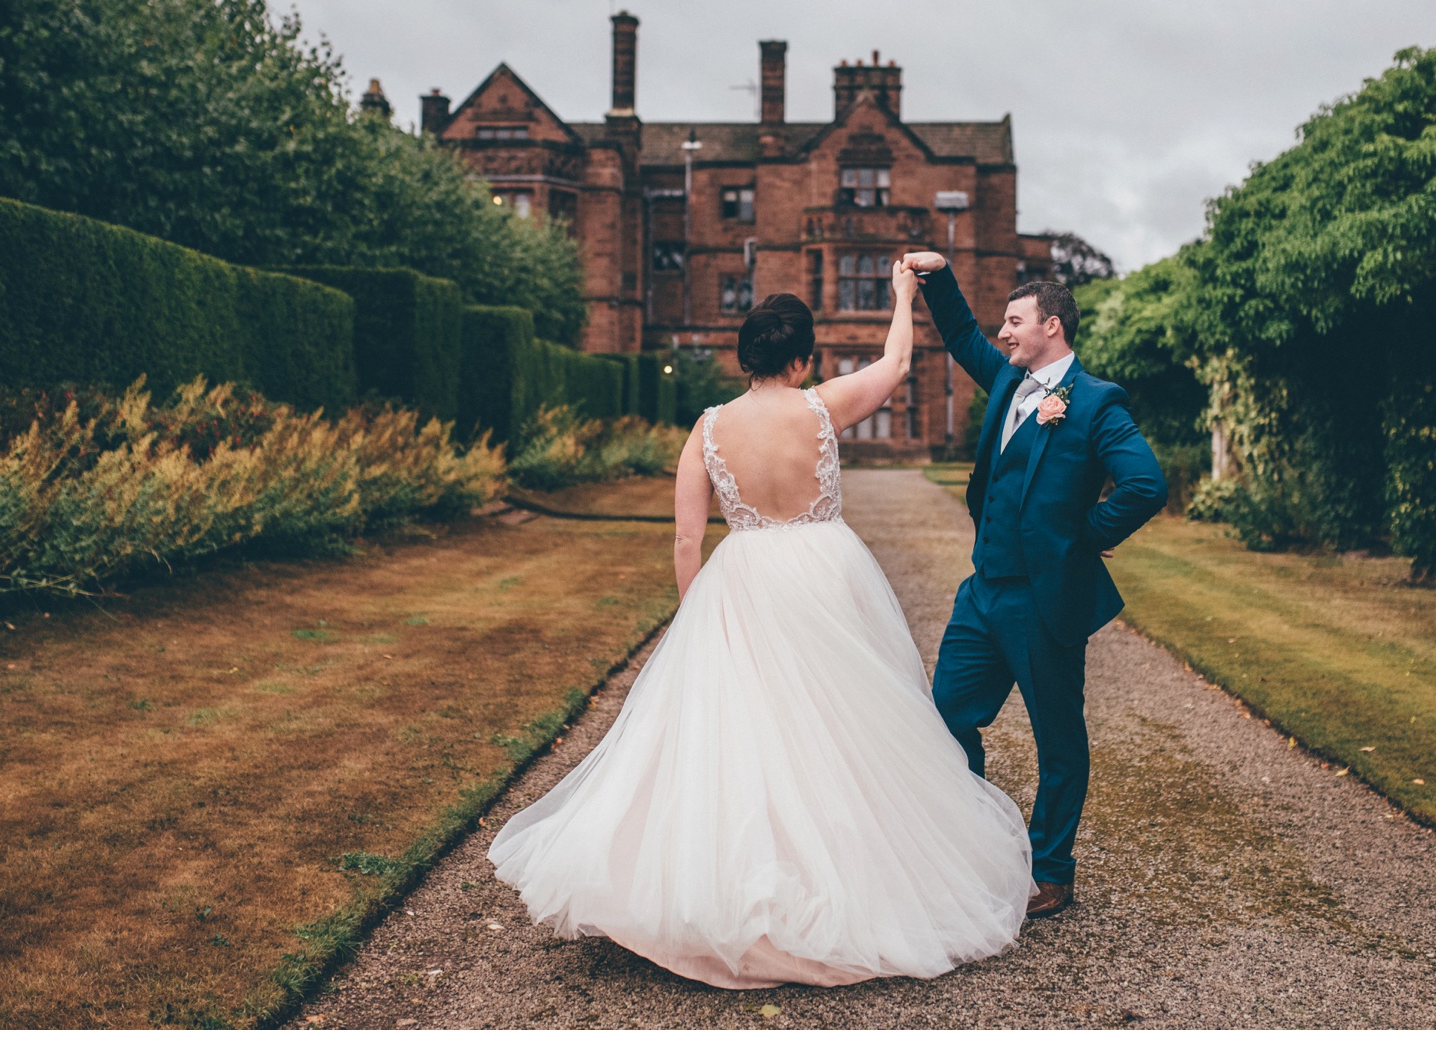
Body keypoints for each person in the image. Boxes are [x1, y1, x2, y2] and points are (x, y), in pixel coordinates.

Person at [487, 260, 1034, 989]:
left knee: (741, 733)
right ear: (803, 358)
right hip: (826, 571)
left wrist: (697, 616)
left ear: (747, 357)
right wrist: (903, 295)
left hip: (740, 577)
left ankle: (722, 888)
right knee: (843, 721)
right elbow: (898, 362)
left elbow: (686, 539)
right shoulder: (821, 406)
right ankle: (850, 875)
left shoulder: (708, 428)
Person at [900, 250, 1167, 919]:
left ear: (1052, 325)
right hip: (982, 591)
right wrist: (937, 277)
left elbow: (1146, 484)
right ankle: (971, 845)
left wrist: (1089, 533)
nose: (1003, 333)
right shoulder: (1010, 385)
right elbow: (960, 335)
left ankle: (1052, 869)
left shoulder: (1097, 403)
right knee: (947, 717)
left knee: (1058, 739)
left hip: (1043, 602)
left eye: (1015, 321)